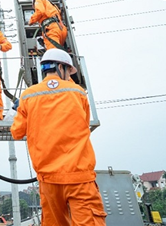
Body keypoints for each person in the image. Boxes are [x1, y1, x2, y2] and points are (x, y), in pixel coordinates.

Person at [10, 49, 106, 226]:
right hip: (80, 178)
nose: (69, 76)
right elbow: (83, 124)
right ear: (61, 67)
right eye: (69, 72)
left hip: (49, 181)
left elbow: (16, 132)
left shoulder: (28, 96)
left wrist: (23, 111)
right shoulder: (78, 92)